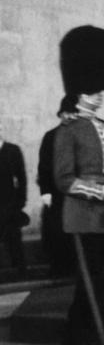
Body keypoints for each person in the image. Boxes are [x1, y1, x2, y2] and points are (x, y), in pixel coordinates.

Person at [53, 26, 104, 344]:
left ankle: (74, 336)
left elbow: (100, 170)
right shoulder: (68, 129)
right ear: (80, 92)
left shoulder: (100, 125)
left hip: (103, 214)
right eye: (93, 90)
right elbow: (64, 180)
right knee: (95, 283)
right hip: (82, 215)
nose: (100, 93)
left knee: (94, 285)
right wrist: (103, 191)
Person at [38, 95, 79, 277]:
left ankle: (76, 267)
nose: (70, 117)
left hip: (77, 190)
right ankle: (60, 267)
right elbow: (44, 166)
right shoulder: (50, 137)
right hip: (57, 192)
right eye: (67, 113)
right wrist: (45, 191)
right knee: (57, 231)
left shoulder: (81, 136)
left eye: (73, 113)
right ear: (61, 114)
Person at [0, 117, 28, 276]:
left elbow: (22, 177)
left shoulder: (12, 150)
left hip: (10, 202)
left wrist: (21, 200)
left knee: (14, 238)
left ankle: (21, 270)